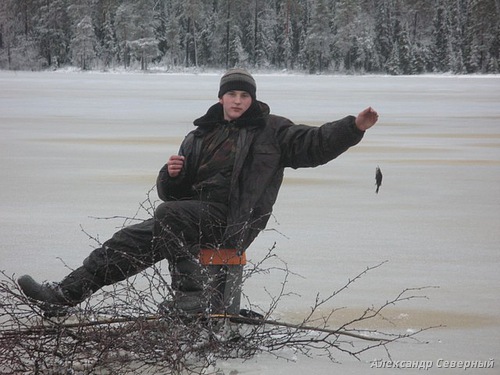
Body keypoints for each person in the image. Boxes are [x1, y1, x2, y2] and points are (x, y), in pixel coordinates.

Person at [18, 68, 378, 316]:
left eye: (243, 95)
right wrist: (171, 176)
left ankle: (190, 297)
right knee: (127, 240)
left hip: (234, 221)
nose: (237, 101)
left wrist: (353, 127)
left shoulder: (272, 131)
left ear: (252, 99)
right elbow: (173, 195)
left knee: (169, 217)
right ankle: (63, 296)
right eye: (231, 95)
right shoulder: (199, 136)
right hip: (191, 218)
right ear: (220, 98)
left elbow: (313, 144)